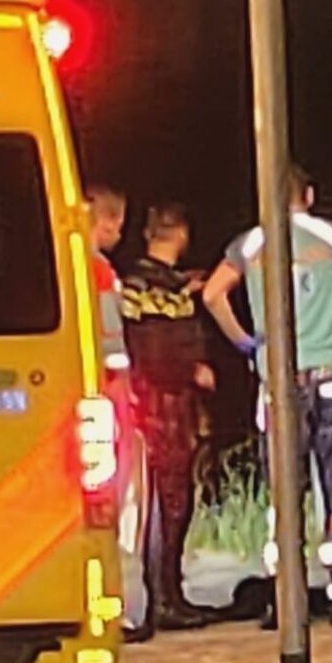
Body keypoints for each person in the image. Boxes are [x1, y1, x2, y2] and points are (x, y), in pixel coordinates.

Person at [203, 166, 332, 626]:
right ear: (308, 195)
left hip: (279, 382)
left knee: (285, 490)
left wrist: (246, 342)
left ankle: (284, 599)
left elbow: (213, 294)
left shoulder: (252, 243)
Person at [122, 203, 219, 632]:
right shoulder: (145, 288)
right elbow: (154, 349)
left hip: (166, 408)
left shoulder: (152, 283)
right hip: (162, 408)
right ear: (180, 233)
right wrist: (191, 370)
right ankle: (163, 600)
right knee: (168, 505)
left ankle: (170, 593)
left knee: (174, 503)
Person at [83, 183, 151, 639]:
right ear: (104, 221)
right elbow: (112, 342)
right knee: (121, 501)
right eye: (117, 224)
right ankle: (124, 608)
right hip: (109, 398)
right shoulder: (100, 271)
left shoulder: (63, 265)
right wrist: (126, 390)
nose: (119, 234)